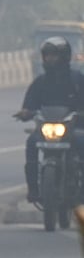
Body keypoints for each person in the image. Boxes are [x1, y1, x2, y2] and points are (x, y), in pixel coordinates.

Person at [13, 36, 84, 202]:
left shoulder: (77, 80)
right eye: (47, 55)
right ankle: (33, 189)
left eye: (54, 55)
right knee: (31, 143)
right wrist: (25, 112)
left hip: (74, 129)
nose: (50, 58)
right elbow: (29, 104)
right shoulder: (40, 82)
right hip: (47, 130)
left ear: (64, 56)